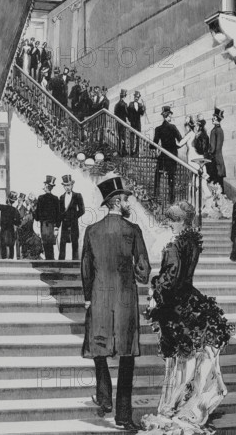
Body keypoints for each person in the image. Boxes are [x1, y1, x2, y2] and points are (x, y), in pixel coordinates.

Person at [142, 201, 233, 434]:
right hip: (190, 299)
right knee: (189, 358)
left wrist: (155, 288)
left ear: (181, 221)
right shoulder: (191, 242)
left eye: (172, 220)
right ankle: (183, 402)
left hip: (176, 305)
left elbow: (170, 279)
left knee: (180, 357)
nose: (169, 224)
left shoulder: (175, 245)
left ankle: (175, 404)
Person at [82, 176, 151, 430]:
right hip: (124, 300)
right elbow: (143, 271)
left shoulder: (92, 231)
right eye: (126, 199)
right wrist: (132, 272)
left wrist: (88, 298)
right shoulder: (132, 230)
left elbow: (86, 269)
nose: (128, 203)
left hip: (99, 297)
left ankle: (103, 397)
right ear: (117, 201)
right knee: (126, 357)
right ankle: (123, 416)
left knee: (98, 348)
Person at [153, 105, 182, 204]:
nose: (171, 117)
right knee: (171, 178)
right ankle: (171, 200)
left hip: (163, 157)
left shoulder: (158, 129)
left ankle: (156, 196)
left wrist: (158, 149)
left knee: (158, 176)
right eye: (170, 115)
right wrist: (174, 146)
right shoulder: (173, 127)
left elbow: (153, 144)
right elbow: (180, 141)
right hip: (172, 156)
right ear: (168, 116)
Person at [34, 175, 61, 260]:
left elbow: (37, 216)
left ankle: (49, 262)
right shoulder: (56, 199)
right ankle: (51, 262)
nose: (43, 187)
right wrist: (57, 227)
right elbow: (58, 215)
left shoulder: (41, 198)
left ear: (46, 186)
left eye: (44, 185)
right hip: (52, 226)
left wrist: (33, 210)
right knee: (50, 246)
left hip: (44, 226)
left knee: (46, 245)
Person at [59, 175, 85, 260]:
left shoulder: (78, 196)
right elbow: (60, 212)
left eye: (69, 185)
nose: (67, 187)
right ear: (63, 186)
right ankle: (61, 264)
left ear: (72, 185)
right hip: (64, 224)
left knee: (75, 244)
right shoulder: (61, 197)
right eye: (65, 185)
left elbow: (82, 210)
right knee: (62, 244)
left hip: (74, 224)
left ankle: (75, 264)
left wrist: (74, 217)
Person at [0, 191, 22, 260]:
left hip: (4, 230)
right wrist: (13, 221)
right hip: (11, 230)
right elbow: (18, 222)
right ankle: (11, 259)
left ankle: (4, 259)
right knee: (11, 246)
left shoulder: (4, 207)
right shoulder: (15, 210)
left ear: (8, 199)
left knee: (3, 245)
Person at [17, 193, 43, 259]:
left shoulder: (30, 212)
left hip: (31, 236)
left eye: (33, 203)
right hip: (25, 234)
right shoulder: (27, 211)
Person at [206, 107, 226, 189]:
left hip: (215, 161)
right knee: (218, 184)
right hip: (217, 160)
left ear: (217, 119)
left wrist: (208, 153)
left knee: (216, 184)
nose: (212, 119)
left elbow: (214, 148)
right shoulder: (218, 130)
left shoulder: (216, 131)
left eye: (214, 118)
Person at [127, 91, 146, 156]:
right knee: (132, 137)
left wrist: (144, 108)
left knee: (138, 137)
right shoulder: (130, 104)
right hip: (132, 123)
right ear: (134, 96)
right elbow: (128, 113)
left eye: (137, 97)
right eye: (135, 97)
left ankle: (137, 152)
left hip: (138, 123)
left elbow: (142, 113)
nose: (136, 98)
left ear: (139, 98)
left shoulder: (140, 105)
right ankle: (131, 152)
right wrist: (129, 121)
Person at [114, 89, 129, 156]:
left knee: (119, 137)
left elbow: (115, 113)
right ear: (124, 96)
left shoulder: (116, 104)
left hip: (118, 122)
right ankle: (123, 151)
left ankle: (119, 150)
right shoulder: (125, 104)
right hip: (123, 123)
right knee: (123, 137)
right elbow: (127, 113)